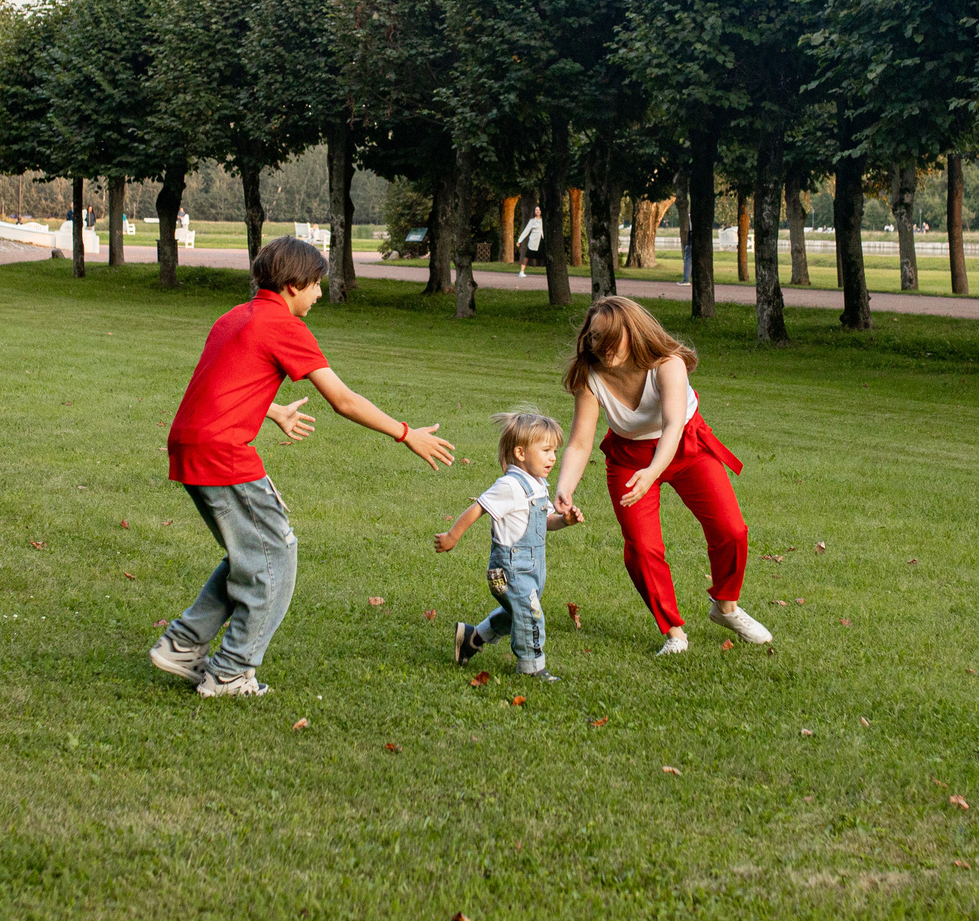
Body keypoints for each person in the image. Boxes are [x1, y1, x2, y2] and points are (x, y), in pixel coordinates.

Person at [151, 236, 454, 696]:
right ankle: (231, 671)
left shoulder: (235, 316)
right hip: (222, 451)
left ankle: (184, 644)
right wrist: (407, 433)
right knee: (276, 556)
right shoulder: (283, 325)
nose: (319, 294)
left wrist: (271, 409)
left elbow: (222, 382)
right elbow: (343, 400)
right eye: (316, 284)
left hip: (190, 444)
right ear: (293, 284)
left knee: (252, 555)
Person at [550, 296, 769, 655]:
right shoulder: (590, 377)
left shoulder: (668, 363)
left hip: (685, 446)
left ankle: (726, 607)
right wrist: (564, 487)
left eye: (611, 338)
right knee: (642, 547)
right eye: (594, 338)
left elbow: (672, 426)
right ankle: (674, 632)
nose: (601, 347)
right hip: (629, 456)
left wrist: (653, 472)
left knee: (731, 530)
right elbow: (579, 442)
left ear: (633, 333)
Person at [437, 409, 580, 680]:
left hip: (531, 569)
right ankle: (531, 668)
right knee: (530, 615)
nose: (553, 457)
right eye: (546, 450)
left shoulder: (538, 484)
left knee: (518, 612)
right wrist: (452, 536)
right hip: (509, 570)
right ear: (520, 453)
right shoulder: (510, 486)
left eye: (554, 451)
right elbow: (478, 508)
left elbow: (545, 521)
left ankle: (472, 638)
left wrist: (565, 520)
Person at [514, 208, 544, 280]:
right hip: (533, 241)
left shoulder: (544, 220)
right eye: (536, 210)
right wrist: (519, 241)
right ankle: (521, 271)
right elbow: (526, 231)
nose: (538, 211)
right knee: (528, 256)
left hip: (542, 240)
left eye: (539, 210)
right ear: (534, 212)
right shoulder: (532, 221)